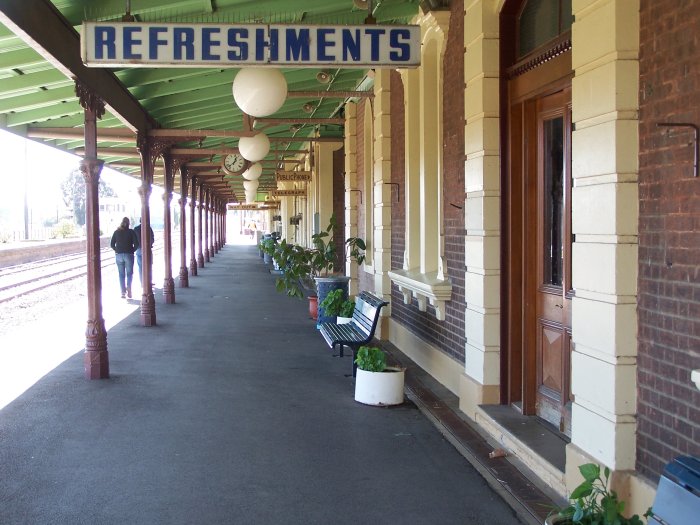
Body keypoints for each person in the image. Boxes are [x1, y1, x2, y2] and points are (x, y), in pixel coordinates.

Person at [110, 217, 139, 299]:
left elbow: (112, 244)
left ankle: (123, 292)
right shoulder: (131, 232)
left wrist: (117, 250)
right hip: (129, 254)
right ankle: (129, 287)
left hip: (118, 255)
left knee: (121, 274)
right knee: (129, 273)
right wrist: (132, 250)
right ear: (129, 223)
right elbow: (137, 244)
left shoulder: (116, 232)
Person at [133, 221, 154, 286]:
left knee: (140, 267)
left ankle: (142, 283)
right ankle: (149, 281)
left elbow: (133, 239)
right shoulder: (149, 228)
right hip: (147, 249)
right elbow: (152, 238)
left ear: (139, 221)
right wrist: (150, 244)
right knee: (149, 265)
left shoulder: (136, 229)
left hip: (138, 249)